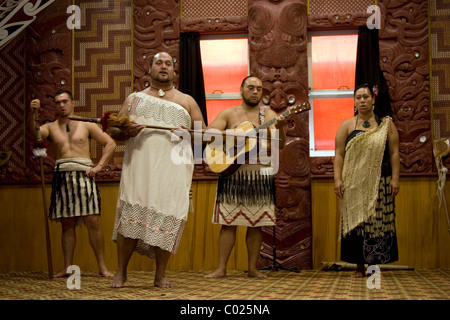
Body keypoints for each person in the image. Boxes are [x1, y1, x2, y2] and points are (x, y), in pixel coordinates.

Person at [110, 52, 206, 288]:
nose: (163, 67)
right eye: (158, 63)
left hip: (173, 170)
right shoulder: (134, 99)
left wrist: (189, 134)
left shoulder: (187, 101)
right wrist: (126, 132)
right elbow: (114, 132)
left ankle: (160, 274)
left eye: (168, 64)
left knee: (167, 215)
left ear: (174, 71)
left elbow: (205, 137)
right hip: (139, 167)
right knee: (131, 214)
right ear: (150, 69)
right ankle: (120, 272)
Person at [204, 76, 286, 279]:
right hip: (232, 172)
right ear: (241, 90)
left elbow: (281, 144)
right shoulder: (229, 113)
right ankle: (221, 268)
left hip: (259, 174)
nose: (255, 91)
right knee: (228, 222)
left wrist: (281, 127)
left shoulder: (268, 114)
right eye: (251, 87)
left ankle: (252, 269)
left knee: (256, 223)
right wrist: (233, 135)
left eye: (259, 88)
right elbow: (208, 134)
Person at [30, 89, 116, 278]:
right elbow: (37, 135)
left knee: (92, 221)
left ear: (72, 103)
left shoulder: (87, 125)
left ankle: (102, 267)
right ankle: (68, 268)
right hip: (62, 177)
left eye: (65, 101)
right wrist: (33, 114)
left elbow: (110, 144)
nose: (61, 105)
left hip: (84, 175)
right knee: (67, 224)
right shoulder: (50, 127)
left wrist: (99, 166)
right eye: (58, 102)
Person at [334, 83, 400, 278]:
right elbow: (338, 154)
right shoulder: (346, 125)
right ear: (354, 101)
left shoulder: (386, 124)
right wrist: (337, 179)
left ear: (373, 99)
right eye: (358, 97)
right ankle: (359, 266)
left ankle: (374, 265)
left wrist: (395, 178)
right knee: (357, 224)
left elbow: (395, 152)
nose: (362, 100)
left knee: (377, 223)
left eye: (365, 97)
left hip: (380, 181)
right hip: (353, 182)